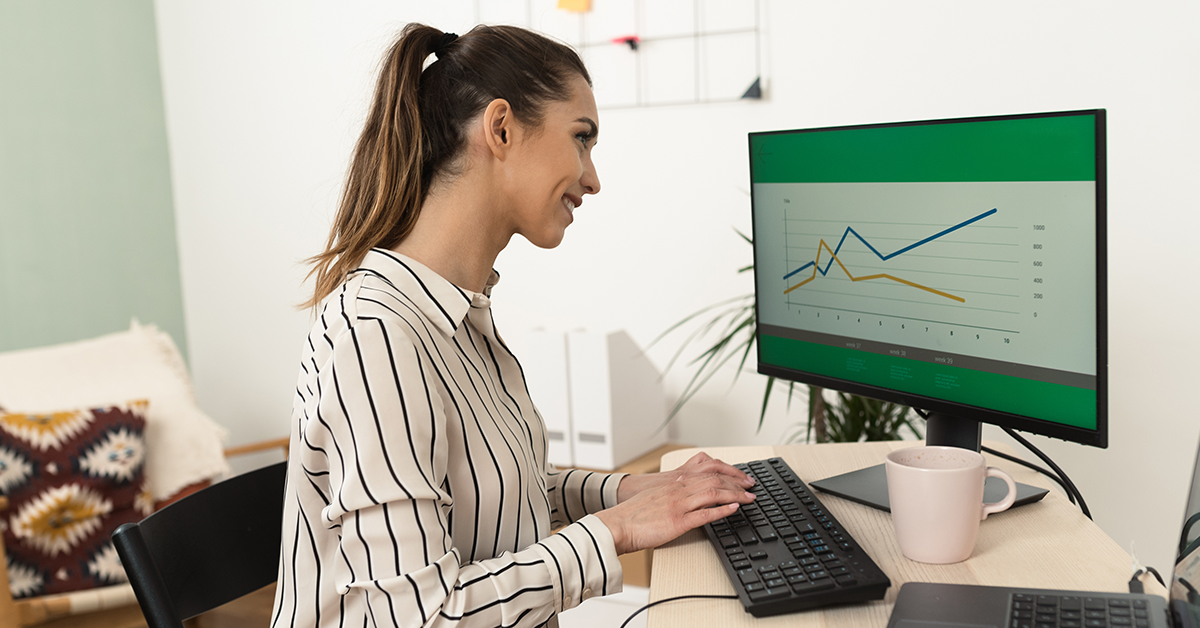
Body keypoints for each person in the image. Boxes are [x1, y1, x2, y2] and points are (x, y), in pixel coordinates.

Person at [272, 23, 756, 628]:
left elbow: (499, 491)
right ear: (500, 129)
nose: (592, 176)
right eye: (582, 139)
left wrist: (633, 493)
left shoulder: (455, 315)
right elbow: (421, 617)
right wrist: (619, 530)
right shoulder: (377, 334)